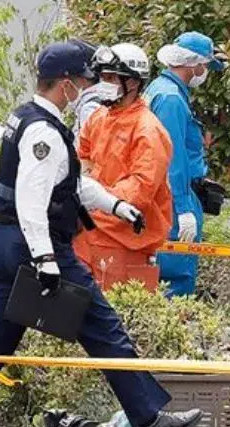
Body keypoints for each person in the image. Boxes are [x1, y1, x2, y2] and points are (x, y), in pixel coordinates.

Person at [0, 41, 204, 427]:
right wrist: (47, 261)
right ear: (67, 85)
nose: (93, 88)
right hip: (35, 249)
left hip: (12, 249)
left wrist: (117, 206)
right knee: (103, 327)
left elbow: (68, 185)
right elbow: (34, 201)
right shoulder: (44, 133)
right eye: (87, 81)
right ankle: (147, 417)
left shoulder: (30, 119)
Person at [74, 43, 173, 290]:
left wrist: (96, 200)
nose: (104, 84)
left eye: (111, 78)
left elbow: (139, 190)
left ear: (133, 82)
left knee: (116, 319)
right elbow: (80, 159)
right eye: (102, 77)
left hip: (124, 241)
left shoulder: (147, 130)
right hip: (86, 235)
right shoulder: (99, 118)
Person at [146, 31, 226, 297]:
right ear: (194, 64)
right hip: (172, 198)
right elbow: (173, 159)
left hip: (165, 195)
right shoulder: (171, 100)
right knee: (176, 277)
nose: (205, 72)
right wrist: (183, 208)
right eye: (205, 66)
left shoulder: (159, 90)